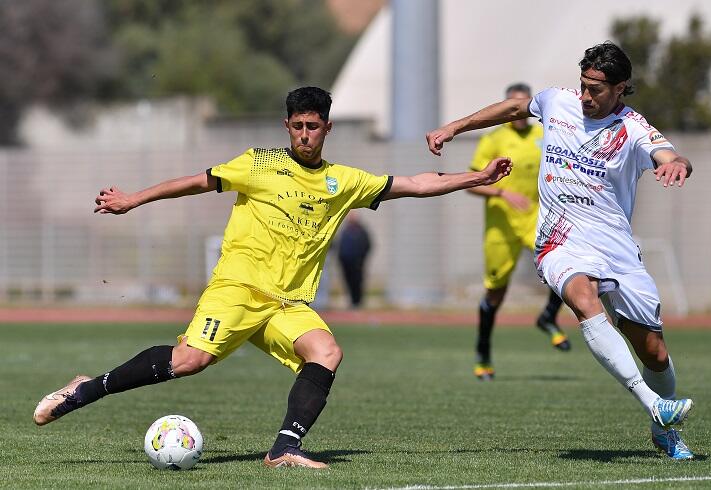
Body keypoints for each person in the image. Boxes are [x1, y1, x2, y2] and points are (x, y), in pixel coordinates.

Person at [33, 86, 512, 469]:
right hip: (238, 290)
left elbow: (413, 184)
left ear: (327, 129)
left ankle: (284, 449)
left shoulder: (342, 181)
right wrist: (134, 199)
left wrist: (477, 177)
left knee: (327, 352)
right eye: (298, 126)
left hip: (287, 304)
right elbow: (196, 182)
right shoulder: (259, 163)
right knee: (189, 361)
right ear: (287, 126)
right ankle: (85, 389)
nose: (305, 134)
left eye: (314, 127)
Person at [426, 42, 695, 460]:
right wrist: (453, 128)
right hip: (559, 238)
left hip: (615, 246)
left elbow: (667, 152)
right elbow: (515, 108)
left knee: (654, 350)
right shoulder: (558, 101)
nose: (586, 96)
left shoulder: (634, 127)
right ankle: (654, 405)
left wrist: (676, 163)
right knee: (582, 296)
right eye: (583, 85)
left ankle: (664, 429)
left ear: (621, 88)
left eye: (597, 89)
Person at [467, 82, 569, 382]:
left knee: (564, 267)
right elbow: (473, 180)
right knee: (495, 292)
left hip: (537, 218)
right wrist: (501, 193)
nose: (520, 112)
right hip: (501, 225)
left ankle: (548, 315)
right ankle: (483, 353)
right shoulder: (494, 138)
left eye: (525, 105)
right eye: (514, 105)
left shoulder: (544, 133)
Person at [337, 211, 372, 308]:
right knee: (348, 281)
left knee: (357, 282)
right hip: (345, 262)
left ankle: (357, 302)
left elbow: (367, 245)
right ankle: (352, 301)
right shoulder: (345, 230)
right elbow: (340, 246)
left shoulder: (361, 230)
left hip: (357, 262)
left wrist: (361, 258)